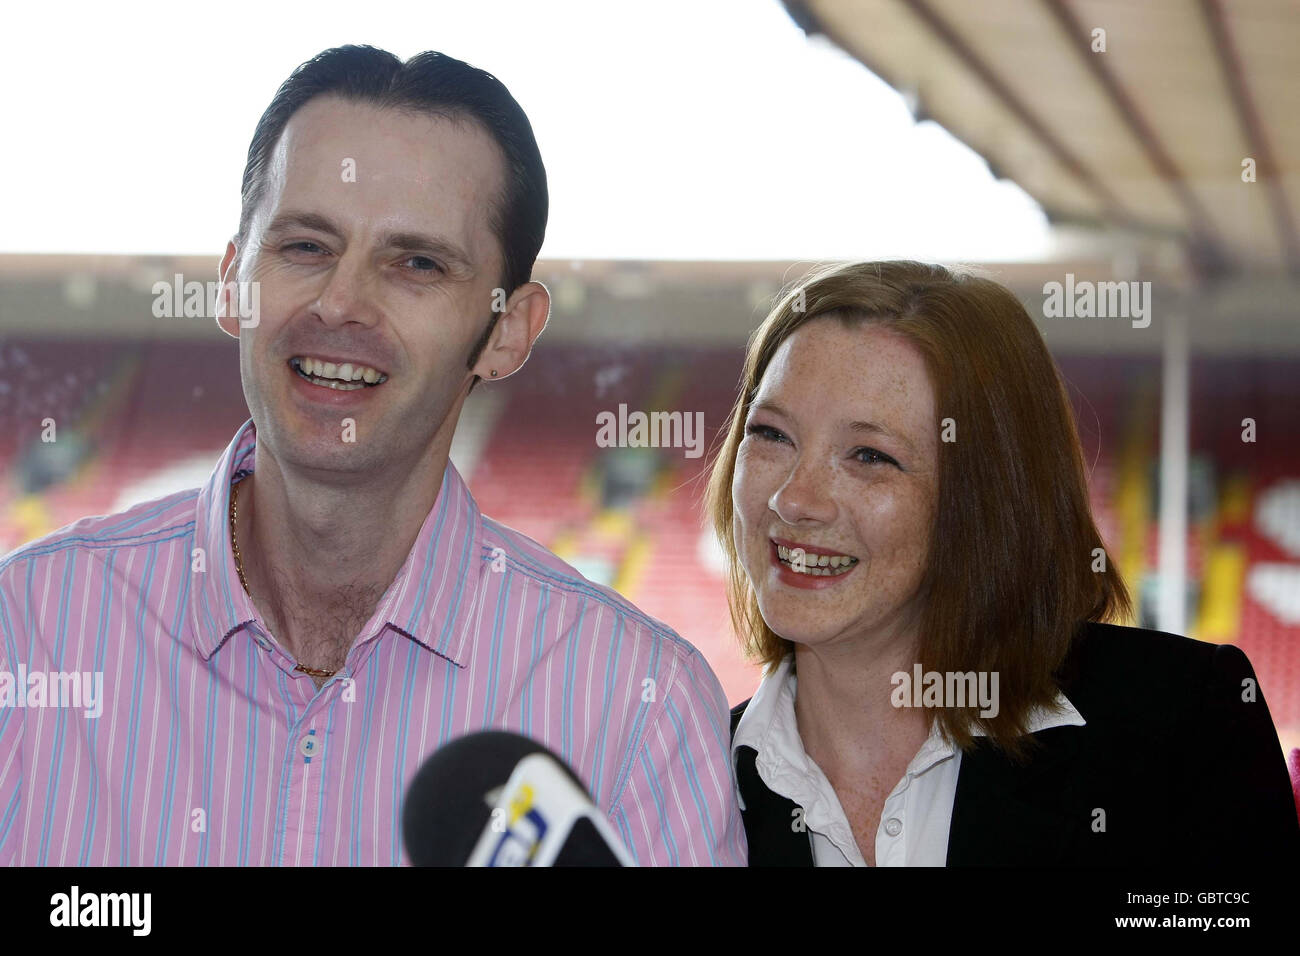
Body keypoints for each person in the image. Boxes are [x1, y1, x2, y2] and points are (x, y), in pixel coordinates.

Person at [0, 45, 744, 866]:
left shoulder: (640, 708)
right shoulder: (25, 632)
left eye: (416, 263)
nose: (341, 303)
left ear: (508, 331)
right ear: (230, 282)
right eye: (306, 246)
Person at [706, 259, 1300, 866]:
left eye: (868, 455)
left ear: (989, 495)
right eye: (772, 434)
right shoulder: (683, 779)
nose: (794, 500)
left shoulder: (1184, 728)